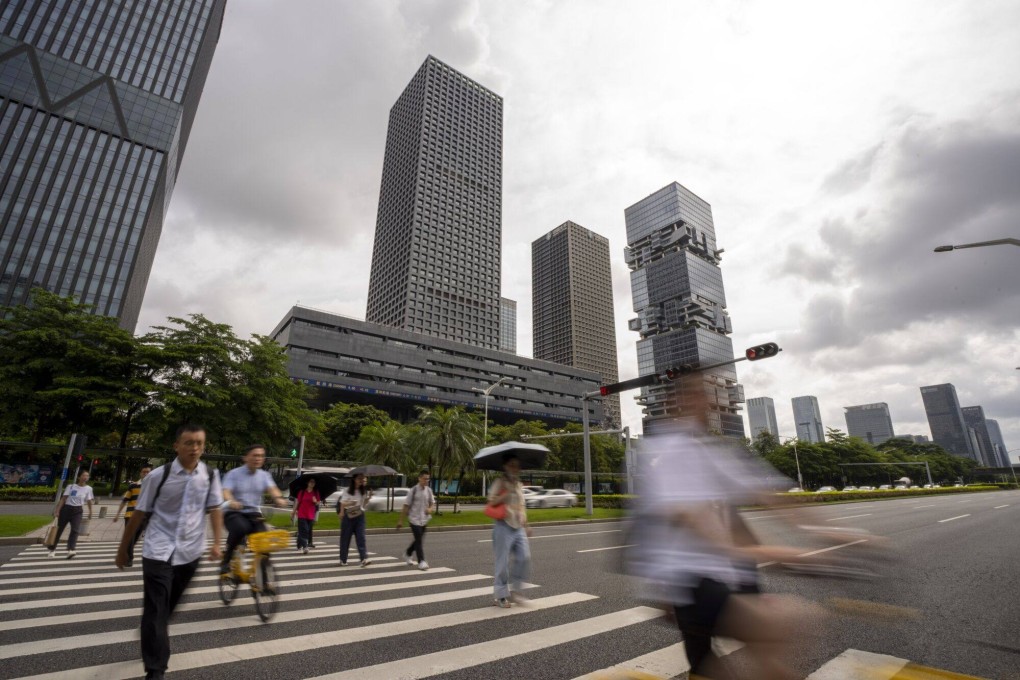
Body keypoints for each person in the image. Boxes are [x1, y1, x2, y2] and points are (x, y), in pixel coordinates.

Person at [626, 382, 825, 680]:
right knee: (773, 630)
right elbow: (691, 518)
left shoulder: (709, 452)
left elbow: (753, 499)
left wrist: (823, 530)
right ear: (677, 407)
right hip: (691, 580)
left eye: (708, 399)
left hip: (720, 574)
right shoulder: (670, 451)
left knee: (715, 657)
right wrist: (769, 551)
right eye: (697, 398)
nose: (706, 405)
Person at [115, 424, 224, 680]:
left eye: (199, 443)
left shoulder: (209, 475)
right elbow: (139, 513)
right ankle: (156, 669)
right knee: (156, 610)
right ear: (177, 446)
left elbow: (216, 508)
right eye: (189, 443)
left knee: (166, 610)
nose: (194, 448)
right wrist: (123, 549)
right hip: (158, 550)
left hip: (190, 551)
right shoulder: (158, 476)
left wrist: (218, 543)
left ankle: (150, 633)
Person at [220, 444, 289, 572]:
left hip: (253, 513)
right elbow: (226, 491)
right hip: (233, 512)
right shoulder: (233, 474)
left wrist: (279, 498)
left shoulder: (264, 476)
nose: (258, 458)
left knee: (264, 541)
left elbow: (272, 488)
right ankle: (227, 559)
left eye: (261, 456)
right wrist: (231, 501)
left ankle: (264, 580)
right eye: (255, 455)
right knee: (242, 528)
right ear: (246, 458)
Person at [487, 453, 531, 608]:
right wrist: (503, 497)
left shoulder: (518, 484)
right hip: (503, 526)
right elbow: (490, 502)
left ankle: (516, 591)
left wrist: (526, 525)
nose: (515, 468)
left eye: (517, 465)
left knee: (524, 557)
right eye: (512, 465)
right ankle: (500, 596)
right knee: (502, 563)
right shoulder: (499, 482)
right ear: (505, 466)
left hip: (518, 527)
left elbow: (521, 505)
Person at [47, 470, 94, 559]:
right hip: (66, 509)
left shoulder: (89, 489)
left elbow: (89, 501)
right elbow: (63, 499)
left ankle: (71, 549)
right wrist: (57, 510)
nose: (85, 477)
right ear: (79, 477)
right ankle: (52, 550)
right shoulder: (71, 487)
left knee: (75, 530)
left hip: (78, 511)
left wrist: (90, 512)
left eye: (87, 476)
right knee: (59, 530)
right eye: (84, 475)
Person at [396, 469, 435, 570]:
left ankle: (408, 553)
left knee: (418, 540)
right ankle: (421, 561)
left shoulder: (429, 490)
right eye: (424, 479)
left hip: (424, 519)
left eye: (428, 479)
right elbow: (406, 506)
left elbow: (432, 502)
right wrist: (400, 520)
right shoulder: (413, 490)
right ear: (419, 478)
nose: (426, 481)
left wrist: (430, 509)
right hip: (414, 519)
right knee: (419, 540)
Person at [337, 474, 373, 567]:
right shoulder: (347, 491)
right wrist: (342, 511)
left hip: (360, 515)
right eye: (359, 478)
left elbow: (363, 505)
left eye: (362, 478)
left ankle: (363, 558)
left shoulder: (363, 491)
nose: (361, 480)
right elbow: (342, 503)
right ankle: (343, 559)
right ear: (354, 479)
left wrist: (368, 499)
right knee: (345, 539)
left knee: (361, 537)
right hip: (348, 516)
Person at [291, 477, 322, 554]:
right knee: (305, 530)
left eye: (314, 482)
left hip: (311, 514)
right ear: (307, 483)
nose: (312, 483)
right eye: (311, 482)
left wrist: (315, 501)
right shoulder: (302, 492)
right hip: (302, 513)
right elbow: (297, 502)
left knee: (305, 531)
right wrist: (293, 512)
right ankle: (305, 547)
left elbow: (318, 502)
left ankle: (299, 543)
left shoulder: (315, 492)